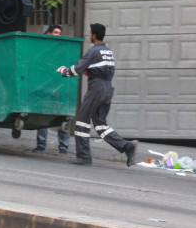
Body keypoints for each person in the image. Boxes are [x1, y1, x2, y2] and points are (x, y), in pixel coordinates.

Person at [56, 23, 136, 167]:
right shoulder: (108, 52)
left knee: (82, 121)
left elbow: (77, 69)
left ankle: (84, 157)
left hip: (96, 88)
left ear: (93, 35)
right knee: (100, 125)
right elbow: (99, 70)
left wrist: (64, 71)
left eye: (90, 33)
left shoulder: (93, 51)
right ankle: (126, 146)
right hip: (107, 88)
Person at [33, 24, 70, 154]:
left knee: (62, 115)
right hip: (45, 85)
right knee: (42, 114)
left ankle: (63, 147)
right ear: (48, 34)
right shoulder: (42, 48)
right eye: (55, 32)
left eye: (60, 33)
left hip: (59, 86)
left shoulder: (63, 49)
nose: (58, 35)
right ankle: (41, 144)